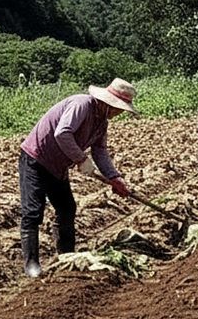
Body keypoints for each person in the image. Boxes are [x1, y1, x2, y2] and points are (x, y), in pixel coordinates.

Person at [19, 78, 137, 278]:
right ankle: (31, 264)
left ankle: (67, 255)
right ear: (107, 103)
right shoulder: (82, 104)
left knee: (66, 208)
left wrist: (114, 177)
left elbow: (100, 150)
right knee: (32, 212)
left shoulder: (102, 122)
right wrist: (82, 159)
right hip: (36, 159)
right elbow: (62, 133)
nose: (119, 113)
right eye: (119, 108)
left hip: (58, 166)